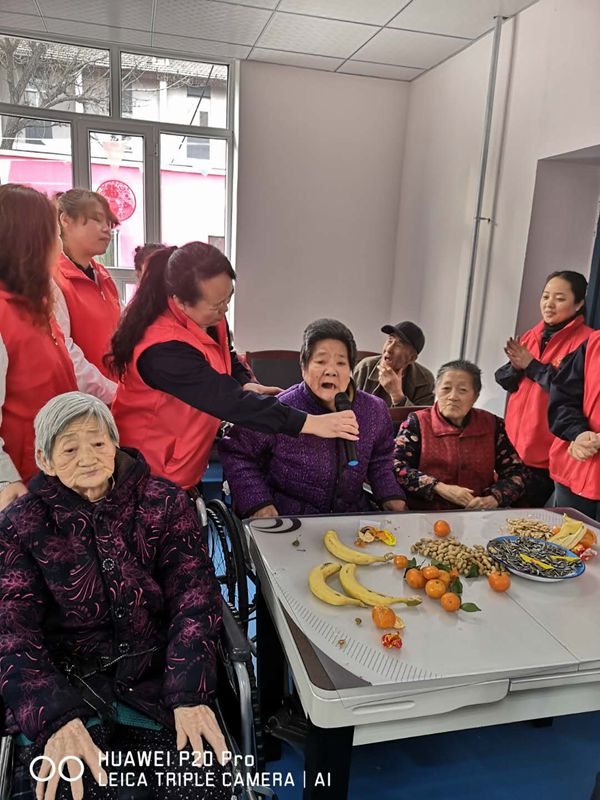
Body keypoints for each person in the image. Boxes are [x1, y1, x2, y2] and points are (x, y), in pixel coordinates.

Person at [0, 392, 230, 800]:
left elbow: (195, 598)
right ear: (44, 460)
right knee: (72, 789)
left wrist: (189, 694)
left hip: (157, 685)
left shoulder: (164, 504)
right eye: (70, 449)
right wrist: (55, 719)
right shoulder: (20, 525)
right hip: (68, 691)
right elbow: (11, 632)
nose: (88, 457)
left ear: (115, 443)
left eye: (98, 442)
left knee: (198, 784)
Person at [108, 243, 358, 490]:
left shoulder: (209, 315)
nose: (225, 309)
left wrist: (245, 382)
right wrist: (312, 424)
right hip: (149, 468)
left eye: (228, 298)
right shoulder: (162, 349)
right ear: (180, 301)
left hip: (185, 457)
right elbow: (227, 400)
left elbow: (226, 355)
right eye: (217, 305)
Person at [219, 319, 406, 517]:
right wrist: (259, 503)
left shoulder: (374, 410)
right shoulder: (280, 408)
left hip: (350, 518)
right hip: (291, 519)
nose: (331, 371)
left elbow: (380, 461)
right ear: (304, 367)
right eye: (321, 362)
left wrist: (391, 496)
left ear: (351, 369)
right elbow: (236, 451)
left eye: (341, 363)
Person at [0, 184, 78, 512]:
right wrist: (6, 482)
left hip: (54, 474)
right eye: (54, 234)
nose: (59, 244)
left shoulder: (37, 304)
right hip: (21, 489)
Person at [495, 270, 591, 506]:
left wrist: (531, 365)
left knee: (530, 520)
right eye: (546, 296)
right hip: (512, 449)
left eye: (560, 298)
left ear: (579, 304)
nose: (549, 304)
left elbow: (570, 392)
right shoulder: (532, 335)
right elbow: (507, 382)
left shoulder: (586, 342)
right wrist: (515, 368)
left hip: (546, 456)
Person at [394, 360, 527, 510]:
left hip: (478, 512)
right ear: (436, 390)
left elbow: (517, 472)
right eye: (446, 388)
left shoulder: (492, 424)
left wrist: (494, 498)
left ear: (475, 396)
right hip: (427, 513)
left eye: (462, 390)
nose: (453, 397)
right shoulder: (417, 423)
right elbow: (396, 466)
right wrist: (439, 487)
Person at [55, 189, 121, 387]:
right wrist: (112, 392)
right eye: (97, 220)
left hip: (113, 393)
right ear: (66, 220)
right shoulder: (54, 278)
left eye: (109, 223)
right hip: (79, 400)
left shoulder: (102, 275)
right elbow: (66, 354)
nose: (106, 230)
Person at [547, 330, 600, 521]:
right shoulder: (594, 343)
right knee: (565, 536)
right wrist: (578, 433)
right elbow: (563, 396)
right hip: (576, 467)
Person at [353, 321, 434, 407]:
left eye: (399, 344)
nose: (388, 349)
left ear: (412, 358)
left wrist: (397, 395)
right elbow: (348, 406)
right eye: (390, 340)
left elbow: (422, 415)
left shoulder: (425, 380)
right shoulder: (365, 368)